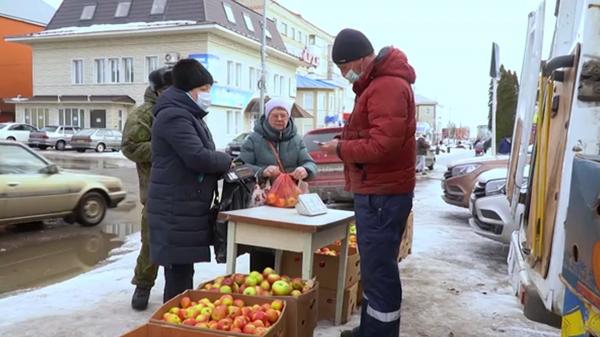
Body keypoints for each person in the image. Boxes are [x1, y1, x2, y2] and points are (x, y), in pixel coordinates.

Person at [319, 28, 416, 337]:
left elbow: (382, 147)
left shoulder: (385, 86)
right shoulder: (377, 85)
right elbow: (377, 136)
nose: (344, 74)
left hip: (381, 195)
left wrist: (340, 149)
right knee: (375, 271)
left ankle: (380, 334)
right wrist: (345, 139)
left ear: (359, 59)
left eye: (344, 67)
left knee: (379, 272)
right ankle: (371, 330)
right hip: (378, 192)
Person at [146, 59, 232, 302]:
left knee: (183, 275)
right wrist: (225, 161)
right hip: (174, 208)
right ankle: (172, 326)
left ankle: (177, 323)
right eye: (204, 89)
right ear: (189, 90)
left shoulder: (187, 114)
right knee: (178, 278)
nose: (208, 95)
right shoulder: (175, 116)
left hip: (182, 206)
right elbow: (196, 157)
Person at [239, 97, 317, 271]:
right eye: (276, 115)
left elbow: (310, 163)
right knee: (263, 246)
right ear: (267, 116)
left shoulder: (296, 139)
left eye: (284, 115)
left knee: (289, 246)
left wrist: (305, 170)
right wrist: (262, 171)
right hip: (263, 204)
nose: (280, 119)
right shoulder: (254, 139)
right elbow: (240, 167)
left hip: (290, 204)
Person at [122, 67, 172, 310]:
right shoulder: (144, 113)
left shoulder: (182, 110)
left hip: (182, 191)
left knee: (179, 245)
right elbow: (130, 146)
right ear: (157, 90)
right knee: (152, 242)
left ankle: (177, 290)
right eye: (167, 89)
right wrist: (166, 150)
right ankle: (143, 284)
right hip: (154, 190)